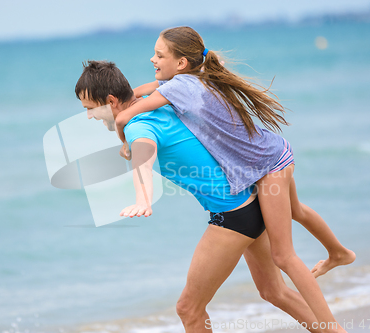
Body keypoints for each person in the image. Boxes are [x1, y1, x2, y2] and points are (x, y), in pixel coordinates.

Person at [114, 27, 355, 333]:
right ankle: (338, 253)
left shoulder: (178, 88)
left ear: (182, 63)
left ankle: (334, 328)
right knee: (296, 214)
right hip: (274, 153)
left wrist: (123, 134)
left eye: (159, 55)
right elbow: (144, 90)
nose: (153, 58)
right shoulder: (195, 77)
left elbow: (125, 116)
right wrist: (129, 97)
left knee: (284, 256)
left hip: (266, 167)